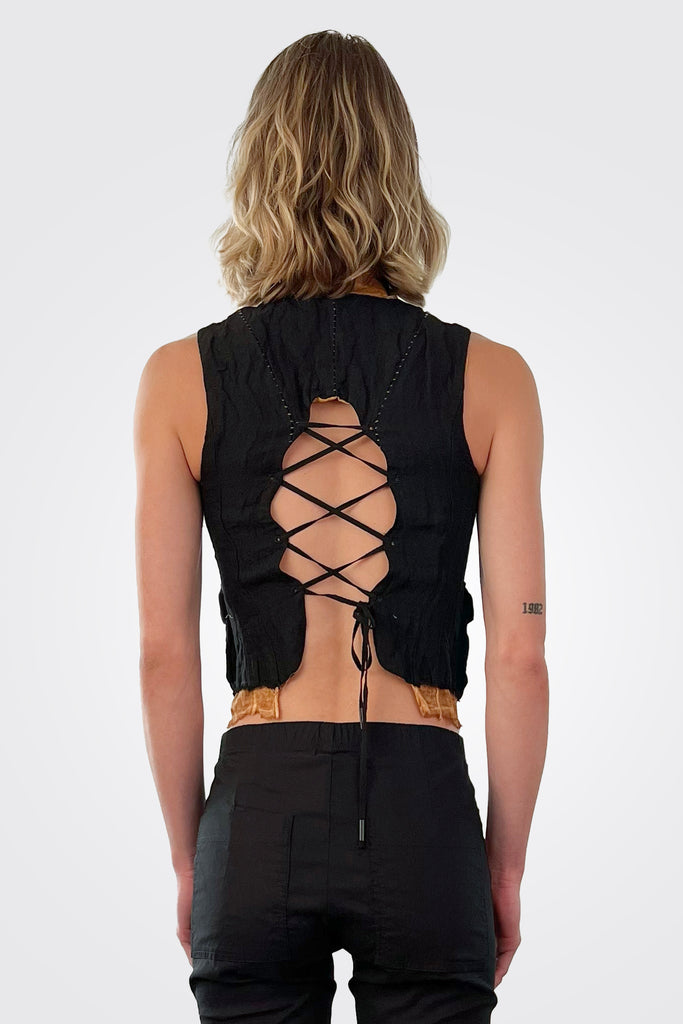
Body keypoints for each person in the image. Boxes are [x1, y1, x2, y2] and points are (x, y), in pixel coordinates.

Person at [134, 29, 548, 1024]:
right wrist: (499, 869)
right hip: (423, 805)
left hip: (255, 801)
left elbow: (162, 653)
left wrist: (195, 859)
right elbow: (519, 654)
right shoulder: (493, 379)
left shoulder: (179, 378)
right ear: (399, 172)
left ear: (257, 170)